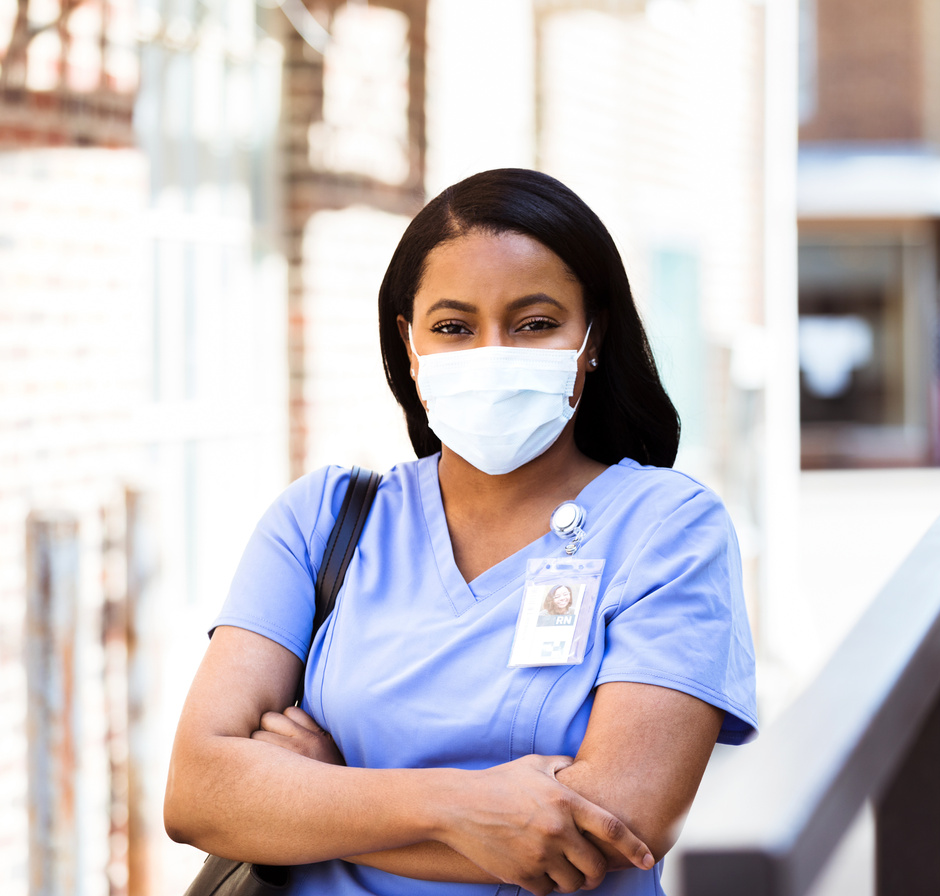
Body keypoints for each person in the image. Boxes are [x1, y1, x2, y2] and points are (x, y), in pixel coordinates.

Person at [163, 168, 758, 896]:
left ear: (592, 338)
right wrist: (459, 808)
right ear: (410, 348)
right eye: (453, 327)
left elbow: (614, 826)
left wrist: (319, 794)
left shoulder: (667, 529)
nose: (492, 352)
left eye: (535, 324)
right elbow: (199, 791)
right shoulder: (322, 520)